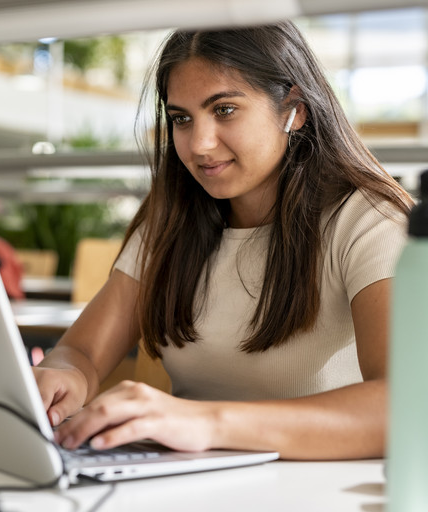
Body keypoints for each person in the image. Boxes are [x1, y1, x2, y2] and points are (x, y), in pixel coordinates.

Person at [34, 21, 413, 461]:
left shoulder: (370, 220)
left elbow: (405, 405)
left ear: (295, 108)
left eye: (225, 110)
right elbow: (80, 351)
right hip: (185, 482)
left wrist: (203, 422)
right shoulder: (171, 221)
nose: (200, 144)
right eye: (181, 119)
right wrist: (66, 376)